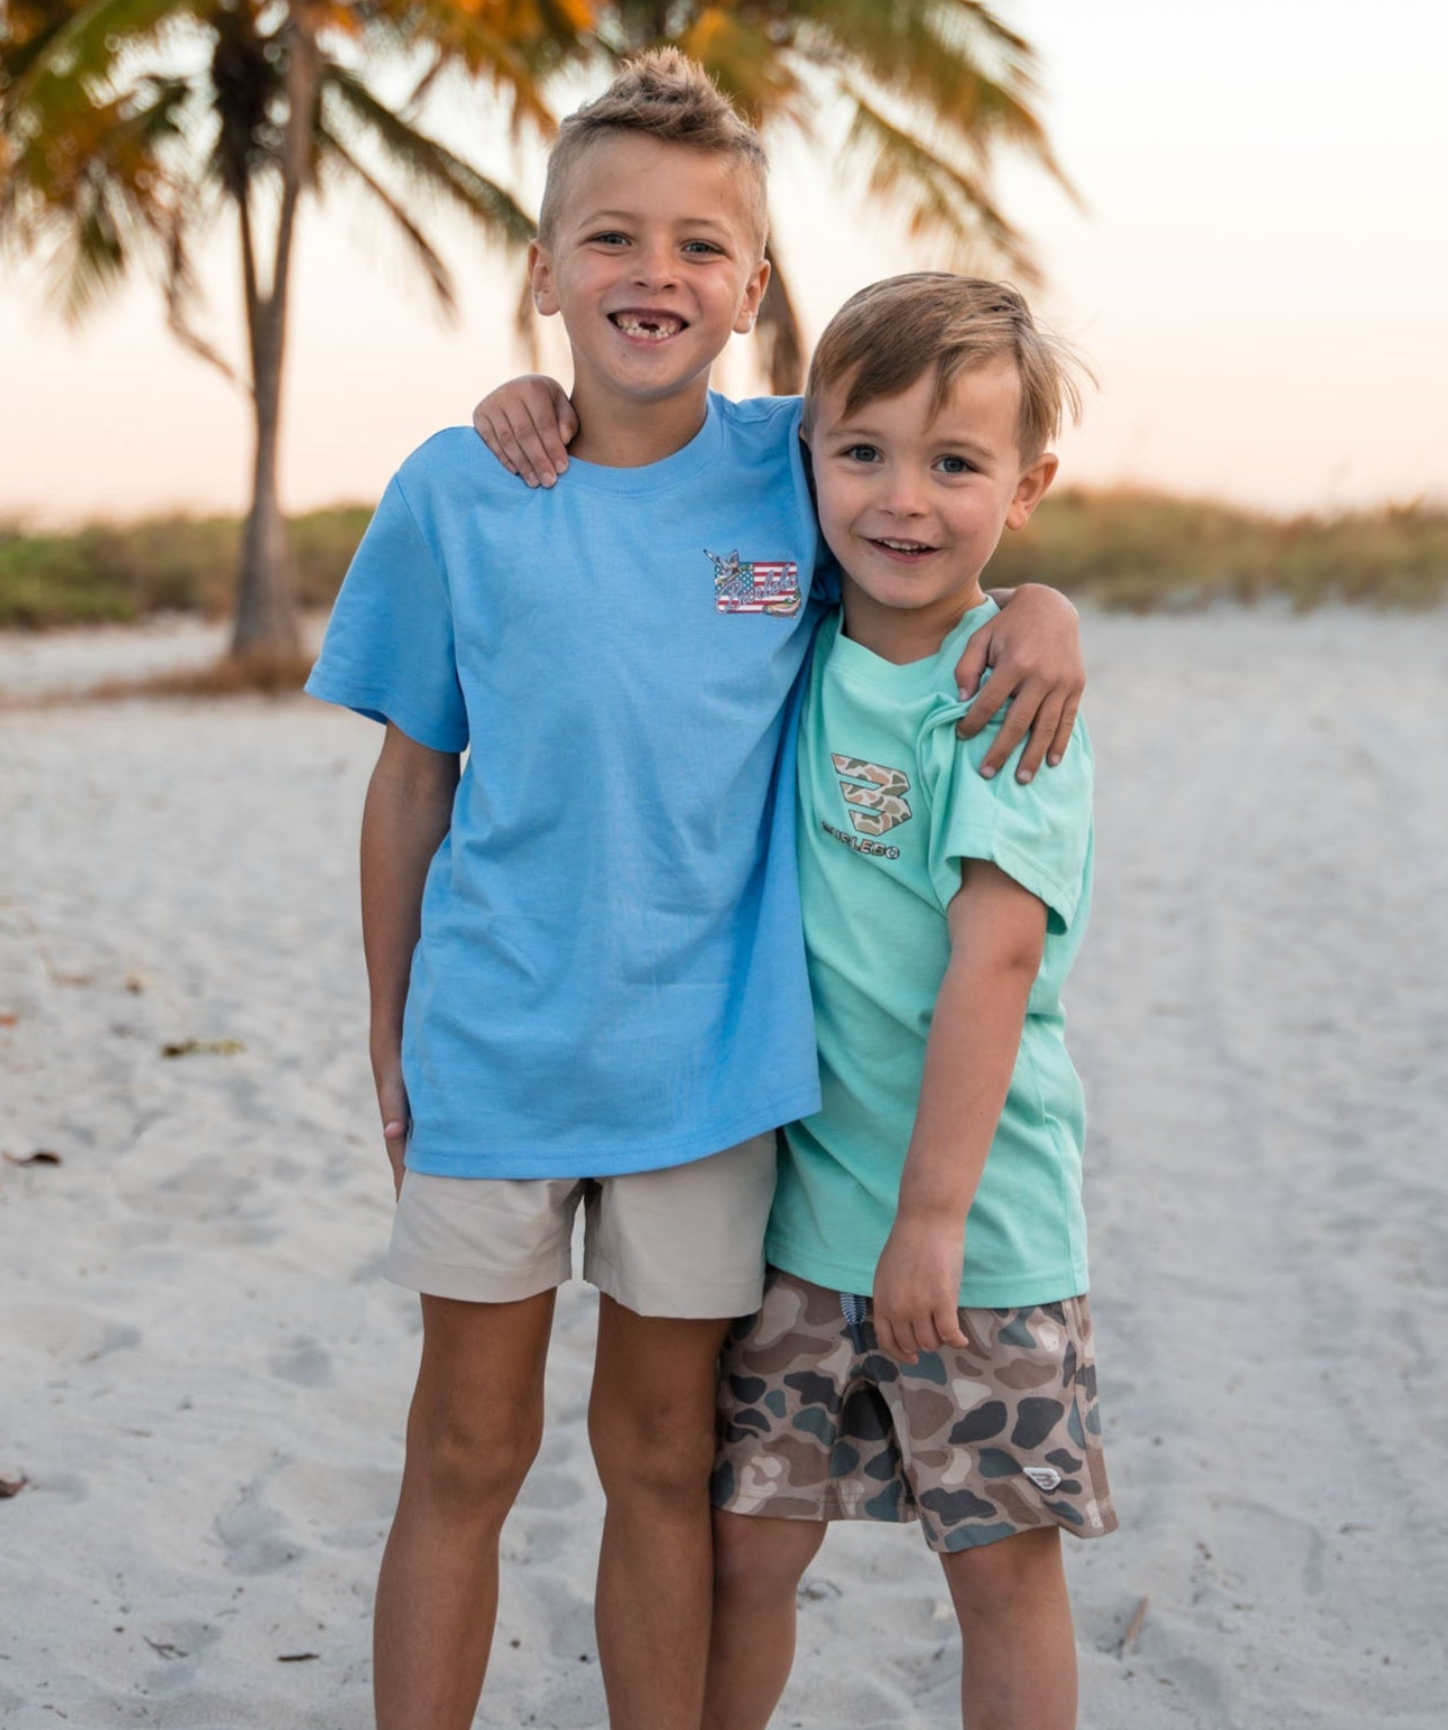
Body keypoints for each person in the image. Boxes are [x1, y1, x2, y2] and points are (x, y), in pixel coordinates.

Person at [307, 51, 1085, 1730]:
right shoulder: (460, 487)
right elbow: (411, 782)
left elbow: (928, 520)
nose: (652, 273)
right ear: (544, 270)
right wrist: (387, 1034)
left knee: (663, 1456)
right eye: (610, 237)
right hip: (494, 1053)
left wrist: (1045, 607)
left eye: (698, 246)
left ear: (753, 289)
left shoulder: (785, 471)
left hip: (711, 1075)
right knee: (464, 1447)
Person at [699, 274, 1113, 1730]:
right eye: (863, 451)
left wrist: (931, 1216)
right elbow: (655, 452)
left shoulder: (1003, 695)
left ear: (1026, 487)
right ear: (806, 451)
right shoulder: (788, 634)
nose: (903, 499)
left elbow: (995, 962)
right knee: (744, 1555)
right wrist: (530, 405)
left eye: (955, 464)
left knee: (1000, 1572)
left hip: (978, 1237)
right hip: (799, 1223)